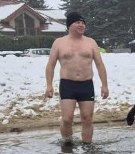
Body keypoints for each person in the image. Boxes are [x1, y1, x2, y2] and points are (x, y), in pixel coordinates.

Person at [45, 12, 110, 144]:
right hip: (67, 84)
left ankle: (87, 147)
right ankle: (67, 143)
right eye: (78, 22)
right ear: (70, 25)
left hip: (86, 85)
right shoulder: (59, 42)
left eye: (83, 23)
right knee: (67, 119)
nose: (82, 25)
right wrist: (49, 85)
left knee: (87, 118)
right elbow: (51, 65)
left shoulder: (90, 42)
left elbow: (100, 65)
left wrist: (104, 85)